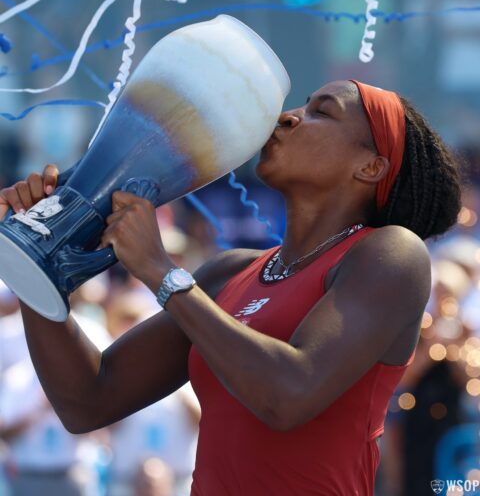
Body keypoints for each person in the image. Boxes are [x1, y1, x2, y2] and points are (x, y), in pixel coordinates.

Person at [0, 80, 462, 495]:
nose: (287, 116)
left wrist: (162, 273)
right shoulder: (225, 274)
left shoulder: (391, 254)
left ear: (371, 167)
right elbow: (87, 401)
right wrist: (37, 265)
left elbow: (288, 396)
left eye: (322, 111)